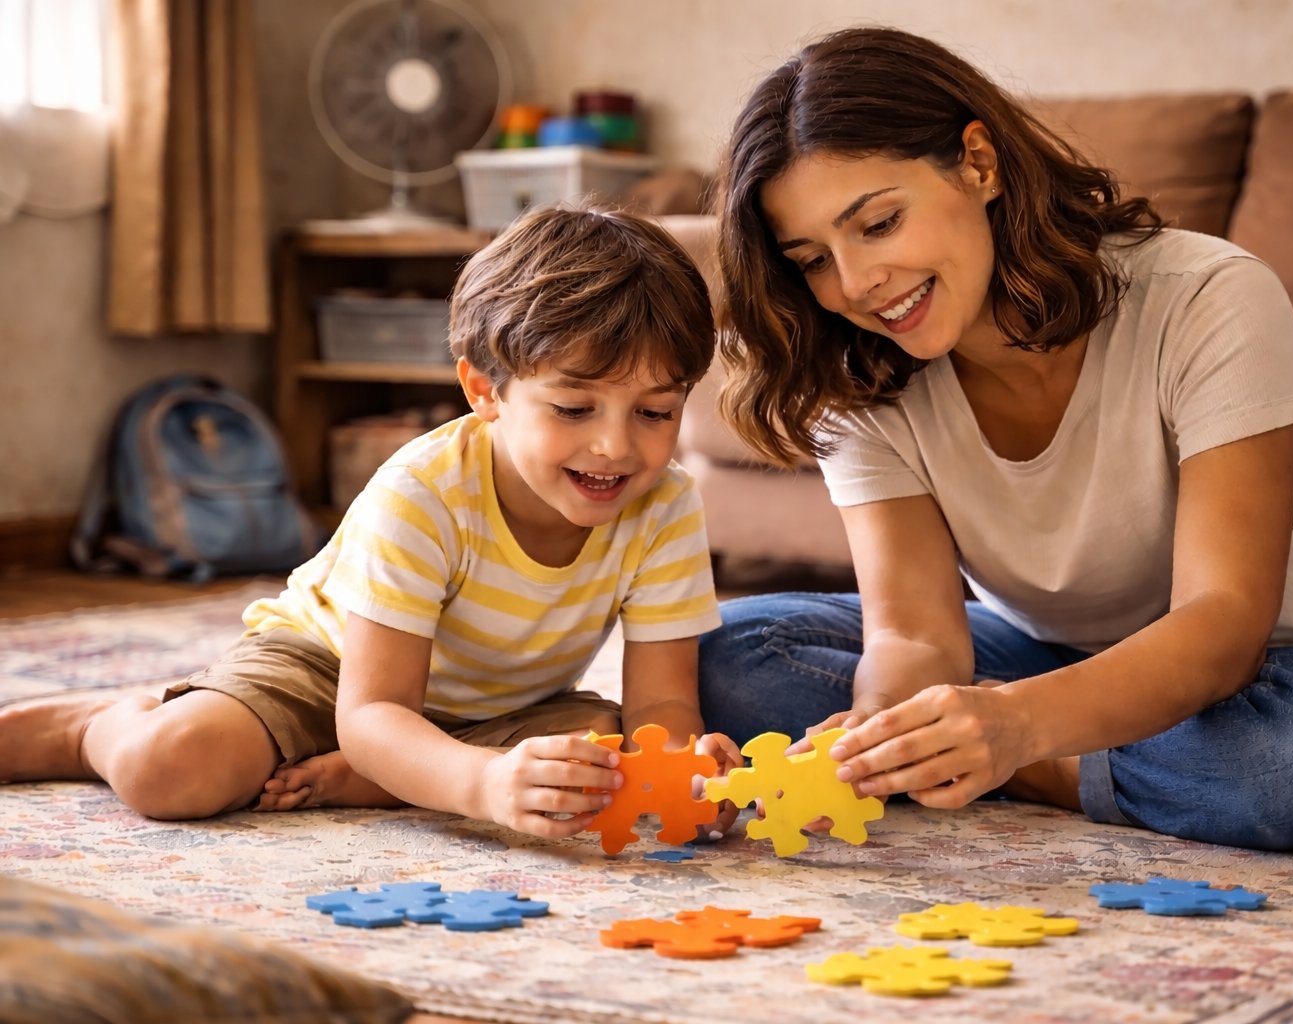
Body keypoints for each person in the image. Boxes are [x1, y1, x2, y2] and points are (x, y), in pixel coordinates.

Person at [696, 26, 1293, 853]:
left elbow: (1223, 622)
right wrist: (884, 728)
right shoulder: (855, 369)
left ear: (979, 163)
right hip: (1037, 655)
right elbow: (916, 634)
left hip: (1282, 666)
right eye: (811, 260)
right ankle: (1002, 756)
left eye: (877, 223)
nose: (854, 285)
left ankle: (1028, 767)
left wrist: (1015, 731)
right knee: (728, 654)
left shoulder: (1208, 298)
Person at [0, 204, 740, 843]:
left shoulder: (665, 504)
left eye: (655, 413)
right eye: (574, 409)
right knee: (172, 770)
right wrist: (484, 787)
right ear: (485, 390)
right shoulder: (423, 491)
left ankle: (396, 775)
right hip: (330, 673)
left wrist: (683, 772)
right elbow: (374, 709)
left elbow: (661, 708)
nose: (616, 446)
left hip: (498, 710)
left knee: (603, 753)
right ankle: (95, 723)